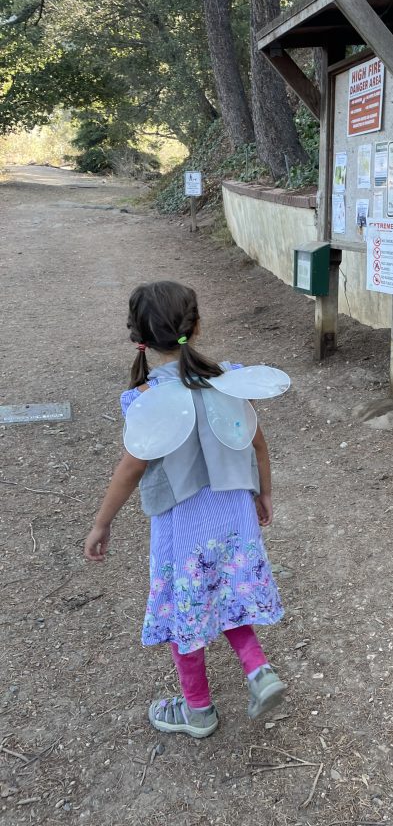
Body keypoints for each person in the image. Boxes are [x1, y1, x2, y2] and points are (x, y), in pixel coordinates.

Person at [84, 281, 286, 739]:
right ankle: (259, 671)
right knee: (229, 592)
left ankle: (198, 711)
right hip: (234, 511)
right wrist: (264, 493)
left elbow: (131, 468)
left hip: (183, 524)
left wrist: (102, 523)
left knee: (185, 609)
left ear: (139, 339)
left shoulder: (147, 398)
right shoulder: (228, 380)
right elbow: (256, 441)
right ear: (196, 327)